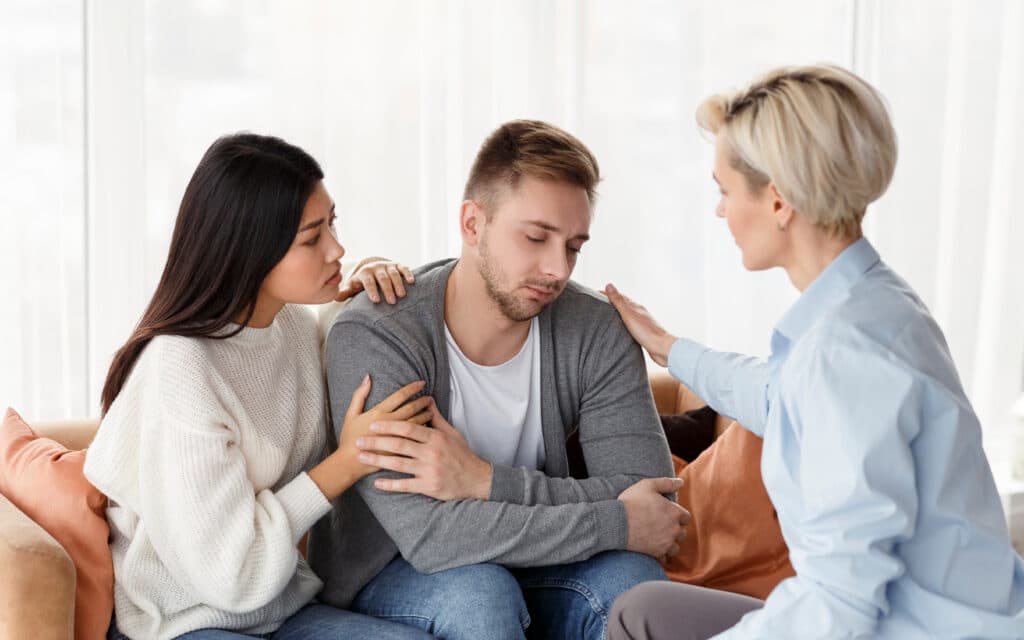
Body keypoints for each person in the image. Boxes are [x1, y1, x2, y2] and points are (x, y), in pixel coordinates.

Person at [603, 64, 1024, 639]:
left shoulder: (843, 352)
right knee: (644, 610)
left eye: (725, 191)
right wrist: (669, 348)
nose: (720, 211)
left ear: (778, 202)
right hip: (943, 612)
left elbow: (841, 605)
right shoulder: (874, 303)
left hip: (909, 627)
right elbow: (779, 395)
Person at [308, 120, 688, 640]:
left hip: (541, 558)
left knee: (636, 586)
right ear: (472, 224)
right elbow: (430, 537)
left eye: (574, 245)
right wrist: (614, 520)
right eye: (535, 237)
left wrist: (484, 480)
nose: (557, 269)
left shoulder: (597, 329)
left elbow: (655, 506)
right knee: (481, 594)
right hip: (393, 571)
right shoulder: (380, 331)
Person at [83, 133, 434, 640]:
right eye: (312, 239)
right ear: (248, 251)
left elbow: (343, 339)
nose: (337, 248)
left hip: (280, 608)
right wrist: (347, 463)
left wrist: (372, 275)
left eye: (331, 223)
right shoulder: (180, 367)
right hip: (189, 621)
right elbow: (232, 576)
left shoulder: (289, 325)